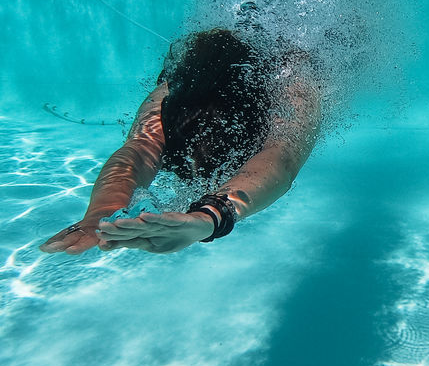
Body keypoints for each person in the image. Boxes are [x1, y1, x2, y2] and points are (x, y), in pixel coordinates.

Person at [40, 27, 321, 255]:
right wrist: (103, 211)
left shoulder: (293, 93)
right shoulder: (169, 98)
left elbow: (281, 157)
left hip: (288, 64)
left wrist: (211, 215)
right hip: (203, 75)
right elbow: (138, 151)